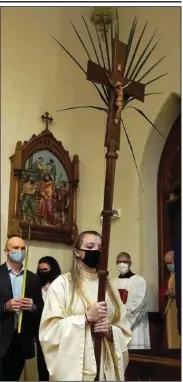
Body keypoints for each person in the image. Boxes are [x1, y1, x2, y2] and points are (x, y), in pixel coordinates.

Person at [39, 230, 132, 381]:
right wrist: (85, 319)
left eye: (100, 248)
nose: (96, 251)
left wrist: (110, 331)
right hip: (77, 368)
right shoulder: (62, 285)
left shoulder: (109, 286)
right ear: (77, 251)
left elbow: (124, 328)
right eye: (90, 247)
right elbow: (50, 332)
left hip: (105, 365)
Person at [0, 236, 43, 381]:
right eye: (15, 248)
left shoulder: (33, 278)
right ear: (6, 251)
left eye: (23, 248)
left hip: (21, 342)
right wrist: (5, 307)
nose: (20, 251)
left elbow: (42, 309)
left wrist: (33, 307)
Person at [112, 252, 150, 349]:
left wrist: (125, 321)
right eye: (119, 262)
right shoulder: (112, 282)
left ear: (130, 263)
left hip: (135, 325)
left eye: (125, 261)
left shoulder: (139, 281)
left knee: (135, 351)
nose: (121, 264)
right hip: (116, 324)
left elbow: (139, 303)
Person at [36, 256, 62, 380]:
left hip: (58, 333)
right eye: (40, 270)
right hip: (42, 333)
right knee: (42, 368)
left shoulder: (61, 285)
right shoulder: (37, 287)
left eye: (46, 270)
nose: (43, 273)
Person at [164, 250, 180, 348]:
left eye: (170, 263)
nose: (168, 266)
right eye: (167, 264)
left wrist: (176, 293)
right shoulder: (173, 276)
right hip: (172, 310)